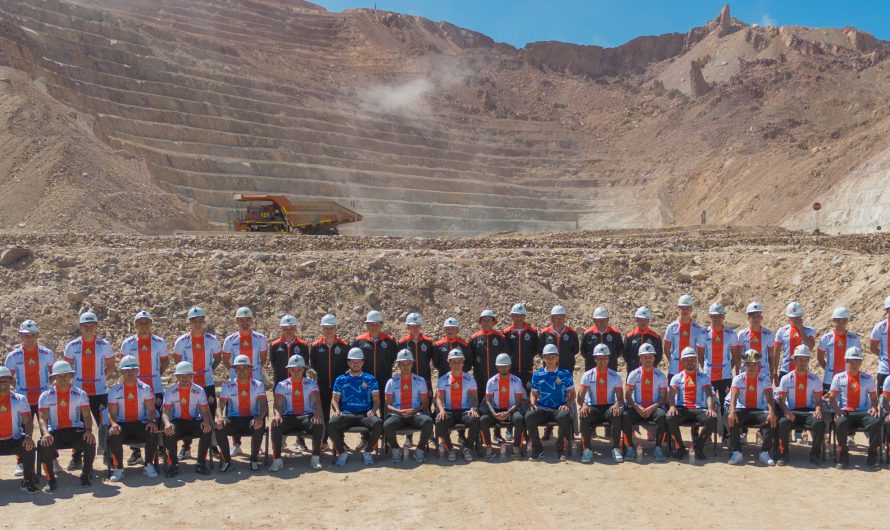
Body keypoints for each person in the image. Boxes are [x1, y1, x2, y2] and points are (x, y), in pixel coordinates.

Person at [63, 311, 115, 470]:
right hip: (79, 394)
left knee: (104, 425)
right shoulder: (72, 346)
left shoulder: (104, 345)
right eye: (85, 325)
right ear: (80, 327)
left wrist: (100, 377)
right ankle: (76, 458)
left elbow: (111, 366)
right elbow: (67, 369)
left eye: (91, 325)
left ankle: (108, 455)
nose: (88, 328)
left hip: (100, 393)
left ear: (97, 327)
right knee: (79, 426)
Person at [4, 319, 54, 478]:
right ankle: (21, 462)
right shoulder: (12, 357)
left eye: (33, 335)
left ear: (38, 335)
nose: (30, 338)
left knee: (49, 428)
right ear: (20, 336)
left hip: (43, 400)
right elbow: (8, 379)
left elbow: (54, 375)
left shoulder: (47, 354)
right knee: (22, 432)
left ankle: (52, 458)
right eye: (26, 335)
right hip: (23, 401)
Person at [171, 306, 222, 461]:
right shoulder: (181, 342)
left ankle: (212, 445)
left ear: (204, 322)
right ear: (190, 322)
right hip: (188, 384)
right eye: (194, 321)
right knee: (188, 412)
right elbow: (178, 362)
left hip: (207, 383)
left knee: (210, 413)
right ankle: (186, 447)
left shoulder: (212, 340)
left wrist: (208, 370)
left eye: (200, 320)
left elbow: (217, 358)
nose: (198, 323)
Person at [37, 360, 95, 493]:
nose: (63, 378)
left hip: (75, 430)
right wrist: (45, 433)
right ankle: (51, 480)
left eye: (66, 375)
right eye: (59, 375)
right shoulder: (45, 396)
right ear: (53, 378)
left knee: (90, 440)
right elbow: (42, 418)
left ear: (71, 376)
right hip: (55, 432)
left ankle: (85, 475)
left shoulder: (80, 394)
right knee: (43, 444)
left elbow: (86, 416)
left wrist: (89, 430)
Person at [120, 309, 168, 465]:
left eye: (147, 322)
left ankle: (160, 447)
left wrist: (156, 374)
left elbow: (165, 362)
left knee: (158, 417)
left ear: (151, 324)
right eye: (141, 323)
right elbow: (124, 366)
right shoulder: (127, 344)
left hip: (156, 387)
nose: (144, 325)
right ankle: (136, 451)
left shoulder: (160, 342)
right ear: (135, 325)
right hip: (135, 389)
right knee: (137, 416)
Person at [106, 355, 160, 481]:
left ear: (137, 371)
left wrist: (152, 421)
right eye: (127, 370)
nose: (130, 372)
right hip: (122, 425)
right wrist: (114, 424)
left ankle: (149, 465)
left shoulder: (146, 389)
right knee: (113, 434)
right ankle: (118, 468)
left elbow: (152, 410)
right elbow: (112, 414)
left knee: (153, 430)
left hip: (141, 423)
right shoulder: (115, 391)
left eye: (133, 369)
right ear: (121, 372)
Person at [328, 348, 384, 466]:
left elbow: (376, 399)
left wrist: (374, 410)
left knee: (378, 423)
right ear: (348, 363)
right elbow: (334, 399)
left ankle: (368, 451)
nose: (356, 364)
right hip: (346, 414)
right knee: (331, 424)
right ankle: (342, 452)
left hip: (365, 414)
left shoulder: (370, 379)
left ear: (363, 362)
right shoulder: (341, 379)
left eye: (358, 361)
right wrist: (337, 410)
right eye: (353, 361)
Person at [215, 355, 269, 472]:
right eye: (239, 368)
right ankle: (227, 461)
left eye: (245, 368)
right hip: (234, 419)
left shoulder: (258, 385)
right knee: (218, 426)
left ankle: (254, 459)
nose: (242, 371)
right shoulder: (228, 386)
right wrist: (219, 417)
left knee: (259, 423)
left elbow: (264, 405)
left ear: (250, 369)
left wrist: (260, 417)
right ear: (234, 370)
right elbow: (220, 406)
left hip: (251, 419)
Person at [829, 347, 880, 470]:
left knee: (876, 423)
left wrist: (874, 407)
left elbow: (874, 398)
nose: (855, 363)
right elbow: (832, 398)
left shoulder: (867, 378)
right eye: (852, 360)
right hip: (846, 412)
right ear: (846, 361)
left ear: (861, 362)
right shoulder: (838, 378)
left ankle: (872, 457)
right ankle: (843, 456)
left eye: (857, 361)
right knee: (840, 423)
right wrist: (837, 410)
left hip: (863, 412)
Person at [270, 355, 324, 472]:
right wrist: (277, 415)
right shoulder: (282, 385)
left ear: (304, 370)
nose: (296, 372)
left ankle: (315, 458)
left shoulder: (311, 384)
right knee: (275, 424)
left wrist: (317, 415)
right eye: (293, 369)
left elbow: (316, 402)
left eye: (299, 369)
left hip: (306, 417)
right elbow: (277, 405)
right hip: (289, 417)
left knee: (318, 423)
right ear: (288, 370)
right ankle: (277, 459)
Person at [776, 345, 826, 466]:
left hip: (809, 411)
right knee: (782, 423)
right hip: (792, 411)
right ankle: (783, 454)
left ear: (809, 360)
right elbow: (781, 400)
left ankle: (815, 455)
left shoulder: (815, 379)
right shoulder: (786, 378)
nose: (803, 362)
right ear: (795, 360)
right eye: (800, 359)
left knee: (819, 423)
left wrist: (818, 409)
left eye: (805, 359)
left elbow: (819, 400)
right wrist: (787, 411)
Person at [161, 361, 213, 477]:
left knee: (207, 429)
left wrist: (205, 420)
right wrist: (167, 423)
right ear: (177, 377)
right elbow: (165, 412)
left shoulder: (199, 390)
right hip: (177, 422)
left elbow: (205, 411)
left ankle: (201, 463)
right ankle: (173, 465)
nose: (184, 378)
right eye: (181, 376)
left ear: (192, 376)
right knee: (169, 432)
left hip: (194, 421)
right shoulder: (170, 391)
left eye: (187, 375)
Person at [726, 349, 778, 466]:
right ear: (744, 365)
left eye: (754, 364)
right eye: (749, 364)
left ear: (759, 364)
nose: (752, 367)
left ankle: (765, 452)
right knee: (733, 417)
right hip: (743, 409)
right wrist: (732, 411)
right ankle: (736, 452)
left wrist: (771, 412)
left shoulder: (764, 378)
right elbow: (733, 397)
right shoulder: (738, 378)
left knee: (770, 418)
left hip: (758, 410)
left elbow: (770, 398)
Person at [666, 347, 718, 462]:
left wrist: (710, 408)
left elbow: (709, 393)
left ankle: (698, 447)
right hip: (682, 408)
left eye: (692, 359)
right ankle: (680, 447)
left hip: (699, 409)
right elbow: (671, 394)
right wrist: (672, 406)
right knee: (669, 417)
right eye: (687, 359)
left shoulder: (703, 377)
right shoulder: (677, 377)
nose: (690, 361)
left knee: (712, 417)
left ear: (696, 360)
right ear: (682, 361)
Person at [526, 344, 575, 461]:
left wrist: (567, 404)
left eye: (553, 356)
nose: (550, 359)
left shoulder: (565, 373)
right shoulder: (537, 375)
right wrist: (533, 403)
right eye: (547, 356)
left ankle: (560, 448)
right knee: (529, 416)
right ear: (543, 358)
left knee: (565, 415)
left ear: (557, 358)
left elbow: (572, 394)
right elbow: (533, 393)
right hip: (543, 408)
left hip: (559, 408)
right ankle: (538, 449)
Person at [383, 349, 433, 463]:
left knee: (428, 422)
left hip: (415, 414)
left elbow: (425, 403)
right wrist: (399, 412)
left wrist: (413, 410)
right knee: (387, 425)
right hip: (397, 414)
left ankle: (420, 449)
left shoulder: (420, 381)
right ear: (399, 365)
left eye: (408, 364)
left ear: (412, 364)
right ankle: (395, 449)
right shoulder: (391, 382)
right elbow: (388, 405)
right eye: (402, 364)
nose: (405, 367)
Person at [577, 344, 624, 463]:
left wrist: (617, 405)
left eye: (605, 358)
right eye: (599, 358)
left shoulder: (615, 376)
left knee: (617, 413)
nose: (602, 361)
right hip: (593, 407)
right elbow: (580, 397)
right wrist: (583, 405)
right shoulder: (588, 375)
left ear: (608, 359)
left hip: (609, 407)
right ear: (595, 359)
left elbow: (620, 398)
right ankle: (586, 449)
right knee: (584, 414)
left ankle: (616, 449)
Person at [623, 343, 669, 462]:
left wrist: (652, 408)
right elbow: (627, 395)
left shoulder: (660, 376)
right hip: (638, 407)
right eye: (645, 356)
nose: (648, 358)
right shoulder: (633, 374)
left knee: (662, 416)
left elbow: (664, 398)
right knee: (625, 415)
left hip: (653, 407)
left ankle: (658, 447)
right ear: (640, 358)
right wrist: (637, 407)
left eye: (650, 356)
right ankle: (629, 447)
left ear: (654, 358)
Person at [434, 349, 481, 462]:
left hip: (465, 411)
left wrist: (473, 408)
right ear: (449, 363)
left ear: (463, 363)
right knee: (439, 421)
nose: (456, 364)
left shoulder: (469, 379)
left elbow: (475, 399)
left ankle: (468, 448)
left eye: (459, 361)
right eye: (453, 362)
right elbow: (439, 398)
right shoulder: (443, 379)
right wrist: (441, 410)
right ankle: (450, 448)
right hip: (448, 411)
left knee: (476, 418)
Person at [308, 314, 349, 442]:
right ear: (322, 329)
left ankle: (340, 440)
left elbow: (347, 363)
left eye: (331, 327)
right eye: (326, 328)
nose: (329, 330)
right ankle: (323, 440)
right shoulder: (315, 346)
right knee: (323, 412)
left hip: (339, 384)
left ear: (336, 328)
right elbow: (313, 364)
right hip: (323, 383)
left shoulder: (344, 346)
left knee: (340, 412)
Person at [701, 303, 739, 437]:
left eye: (719, 316)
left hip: (725, 374)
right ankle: (708, 434)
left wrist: (728, 367)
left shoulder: (731, 334)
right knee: (708, 404)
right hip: (709, 375)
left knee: (724, 404)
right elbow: (700, 355)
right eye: (713, 316)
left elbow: (735, 355)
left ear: (723, 317)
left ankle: (725, 434)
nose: (716, 319)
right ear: (710, 317)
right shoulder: (704, 333)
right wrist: (705, 368)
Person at [352, 310, 397, 422]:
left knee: (384, 407)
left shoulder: (390, 341)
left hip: (384, 380)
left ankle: (384, 435)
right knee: (366, 407)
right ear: (367, 325)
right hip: (365, 381)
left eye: (376, 324)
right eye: (370, 324)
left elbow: (393, 357)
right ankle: (366, 437)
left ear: (381, 324)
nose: (373, 327)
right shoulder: (359, 341)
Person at [479, 353, 527, 458]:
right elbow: (488, 400)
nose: (503, 368)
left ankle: (516, 447)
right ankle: (488, 447)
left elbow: (518, 402)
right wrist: (494, 413)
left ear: (510, 366)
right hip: (496, 411)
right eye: (500, 366)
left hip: (511, 410)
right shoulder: (491, 381)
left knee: (519, 419)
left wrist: (508, 412)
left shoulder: (516, 381)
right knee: (483, 420)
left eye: (505, 365)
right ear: (496, 367)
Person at [0, 366, 39, 493]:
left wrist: (28, 437)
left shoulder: (20, 399)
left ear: (11, 381)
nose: (2, 384)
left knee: (29, 446)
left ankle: (27, 481)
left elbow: (28, 421)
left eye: (5, 380)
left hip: (14, 438)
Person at [470, 309, 509, 404]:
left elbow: (505, 356)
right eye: (484, 320)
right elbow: (470, 357)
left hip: (496, 377)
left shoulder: (500, 337)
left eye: (489, 320)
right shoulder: (474, 338)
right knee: (480, 401)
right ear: (480, 322)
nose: (486, 323)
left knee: (497, 401)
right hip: (479, 377)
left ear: (493, 322)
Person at [663, 295, 706, 381]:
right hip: (674, 369)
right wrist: (672, 361)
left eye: (687, 308)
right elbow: (666, 348)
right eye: (682, 308)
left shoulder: (698, 329)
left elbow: (701, 350)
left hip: (692, 368)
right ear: (678, 309)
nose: (685, 311)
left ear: (691, 309)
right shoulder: (671, 327)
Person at [818, 307, 861, 392]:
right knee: (828, 403)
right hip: (829, 379)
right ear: (833, 320)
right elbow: (820, 357)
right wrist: (828, 369)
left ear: (847, 321)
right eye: (838, 320)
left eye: (844, 320)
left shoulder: (854, 338)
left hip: (847, 378)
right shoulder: (826, 338)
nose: (841, 323)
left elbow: (858, 359)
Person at [221, 306, 268, 384]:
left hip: (256, 378)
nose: (245, 322)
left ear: (252, 321)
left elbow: (263, 360)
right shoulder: (230, 340)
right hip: (235, 378)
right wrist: (238, 371)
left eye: (248, 319)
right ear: (237, 321)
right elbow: (226, 361)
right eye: (241, 319)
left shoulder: (261, 338)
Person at [773, 301, 816, 385]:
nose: (796, 319)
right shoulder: (782, 331)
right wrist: (774, 372)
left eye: (798, 317)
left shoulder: (809, 331)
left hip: (803, 370)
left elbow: (810, 346)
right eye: (793, 317)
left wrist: (801, 330)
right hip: (785, 370)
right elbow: (776, 353)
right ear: (788, 317)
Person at [503, 303, 538, 397]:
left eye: (521, 316)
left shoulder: (532, 331)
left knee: (528, 393)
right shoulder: (507, 332)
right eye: (516, 315)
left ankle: (529, 410)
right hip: (512, 369)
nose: (518, 318)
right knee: (513, 394)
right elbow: (505, 350)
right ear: (512, 316)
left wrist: (527, 357)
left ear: (524, 316)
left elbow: (535, 348)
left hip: (527, 369)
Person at [397, 313, 435, 393]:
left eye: (417, 326)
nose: (415, 328)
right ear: (408, 327)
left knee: (427, 402)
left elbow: (433, 359)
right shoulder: (402, 343)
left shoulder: (428, 342)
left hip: (425, 378)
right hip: (408, 379)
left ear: (420, 326)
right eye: (412, 326)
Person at [269, 314, 310, 387]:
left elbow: (305, 364)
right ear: (281, 328)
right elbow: (274, 364)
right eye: (286, 328)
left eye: (291, 328)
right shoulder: (274, 345)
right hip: (280, 383)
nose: (289, 330)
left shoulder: (303, 345)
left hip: (299, 383)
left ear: (295, 328)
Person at [736, 302, 775, 377]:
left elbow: (771, 356)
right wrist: (737, 374)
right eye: (753, 317)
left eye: (758, 316)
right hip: (746, 373)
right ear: (748, 318)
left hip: (763, 374)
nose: (756, 319)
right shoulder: (742, 334)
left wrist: (772, 374)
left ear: (761, 317)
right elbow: (738, 356)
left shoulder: (768, 334)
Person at [580, 306, 624, 372]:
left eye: (603, 320)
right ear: (594, 320)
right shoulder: (587, 334)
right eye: (597, 321)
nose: (600, 323)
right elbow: (583, 351)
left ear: (608, 319)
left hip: (610, 369)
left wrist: (609, 359)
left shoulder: (615, 334)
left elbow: (619, 350)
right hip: (591, 369)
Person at [539, 305, 580, 372]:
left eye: (561, 317)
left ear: (564, 318)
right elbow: (540, 351)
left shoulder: (572, 333)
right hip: (549, 371)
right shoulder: (544, 333)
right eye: (556, 317)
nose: (559, 320)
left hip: (566, 370)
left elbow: (575, 350)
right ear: (552, 318)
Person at [622, 306, 663, 373]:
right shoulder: (629, 337)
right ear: (636, 320)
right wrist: (632, 363)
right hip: (633, 372)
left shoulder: (656, 337)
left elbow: (658, 356)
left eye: (645, 320)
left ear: (649, 320)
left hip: (650, 373)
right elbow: (625, 355)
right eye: (640, 319)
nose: (643, 322)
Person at [869, 296, 890, 390]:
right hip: (884, 371)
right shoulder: (880, 327)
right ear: (887, 310)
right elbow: (872, 347)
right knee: (883, 402)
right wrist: (883, 357)